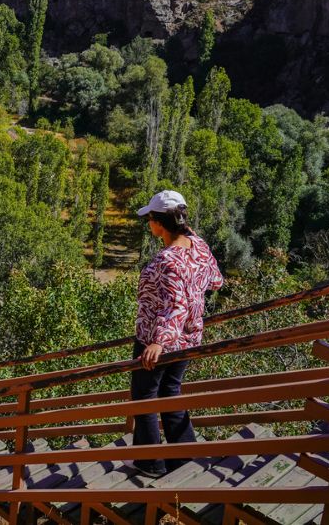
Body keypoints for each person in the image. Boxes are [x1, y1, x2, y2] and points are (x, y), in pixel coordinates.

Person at [129, 190, 223, 478]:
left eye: (150, 219)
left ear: (158, 223)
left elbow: (176, 306)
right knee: (171, 392)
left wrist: (158, 341)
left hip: (157, 341)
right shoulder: (199, 246)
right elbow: (216, 281)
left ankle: (150, 463)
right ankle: (183, 458)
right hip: (189, 339)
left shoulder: (167, 261)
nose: (148, 225)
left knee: (145, 397)